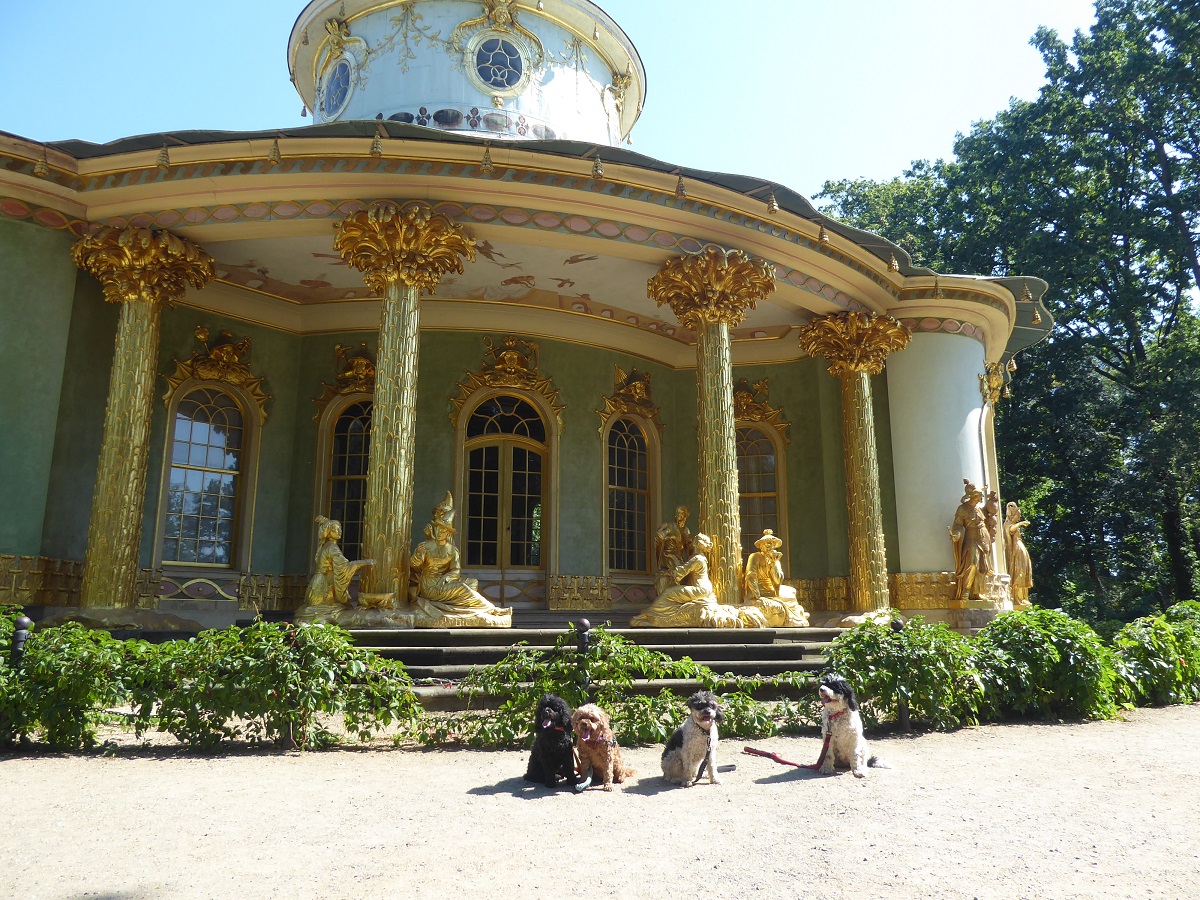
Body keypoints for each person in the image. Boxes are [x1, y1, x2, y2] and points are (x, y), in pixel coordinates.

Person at [409, 493, 513, 628]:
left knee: (472, 583)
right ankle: (492, 609)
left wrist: (446, 578)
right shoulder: (425, 546)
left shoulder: (452, 550)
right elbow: (414, 566)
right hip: (430, 586)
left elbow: (455, 570)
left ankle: (480, 610)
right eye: (438, 528)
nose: (440, 532)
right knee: (463, 588)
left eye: (443, 530)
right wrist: (418, 555)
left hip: (443, 583)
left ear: (448, 533)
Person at [742, 529, 809, 626]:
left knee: (791, 592)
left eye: (772, 544)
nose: (769, 546)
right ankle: (794, 616)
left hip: (773, 591)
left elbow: (778, 580)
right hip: (759, 591)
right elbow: (750, 576)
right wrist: (758, 596)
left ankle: (796, 616)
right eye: (767, 543)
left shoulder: (775, 560)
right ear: (761, 546)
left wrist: (773, 565)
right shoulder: (755, 557)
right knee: (776, 605)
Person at [305, 516, 372, 606]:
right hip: (325, 586)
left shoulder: (326, 546)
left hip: (318, 584)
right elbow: (344, 566)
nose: (339, 531)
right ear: (328, 533)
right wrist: (366, 562)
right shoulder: (332, 547)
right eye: (335, 529)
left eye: (340, 529)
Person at [949, 482, 993, 603]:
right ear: (973, 496)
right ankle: (966, 591)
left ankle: (977, 592)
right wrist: (957, 534)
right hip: (971, 537)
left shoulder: (978, 509)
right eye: (979, 496)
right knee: (972, 562)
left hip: (983, 538)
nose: (981, 498)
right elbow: (958, 524)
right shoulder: (962, 508)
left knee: (982, 565)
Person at [653, 505, 693, 596]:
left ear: (685, 516)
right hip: (668, 556)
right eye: (677, 513)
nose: (678, 515)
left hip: (678, 556)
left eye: (681, 513)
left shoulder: (686, 530)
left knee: (684, 574)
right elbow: (658, 537)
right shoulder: (668, 525)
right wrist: (665, 535)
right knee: (677, 572)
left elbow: (689, 546)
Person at [1004, 502, 1033, 609]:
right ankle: (1017, 598)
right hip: (1016, 553)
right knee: (1018, 574)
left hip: (1021, 552)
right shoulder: (1008, 524)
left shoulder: (1015, 526)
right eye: (1018, 515)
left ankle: (1023, 598)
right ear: (1012, 514)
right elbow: (1010, 529)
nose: (1019, 517)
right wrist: (1020, 524)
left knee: (1024, 573)